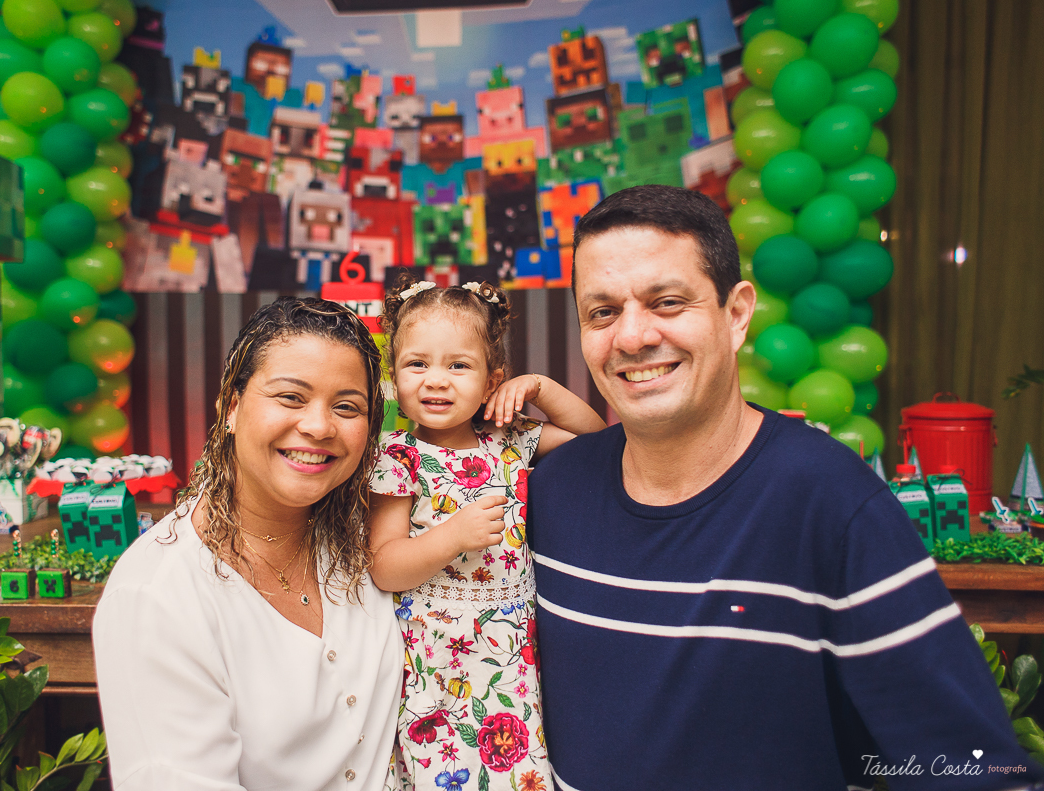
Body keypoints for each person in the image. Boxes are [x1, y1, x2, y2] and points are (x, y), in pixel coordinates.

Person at [526, 185, 1044, 790]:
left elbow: (972, 771)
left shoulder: (832, 504)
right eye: (602, 312)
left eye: (667, 302)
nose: (632, 337)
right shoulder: (550, 494)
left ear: (737, 313)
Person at [93, 298, 403, 791]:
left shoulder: (377, 542)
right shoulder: (158, 595)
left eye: (348, 407)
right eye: (291, 397)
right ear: (231, 408)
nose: (320, 426)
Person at [367, 277, 604, 790]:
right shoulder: (398, 456)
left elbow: (599, 444)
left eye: (458, 365)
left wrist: (542, 388)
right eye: (417, 363)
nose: (436, 380)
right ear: (394, 375)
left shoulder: (511, 440)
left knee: (513, 770)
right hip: (436, 653)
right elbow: (384, 566)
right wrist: (452, 535)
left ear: (491, 379)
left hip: (511, 648)